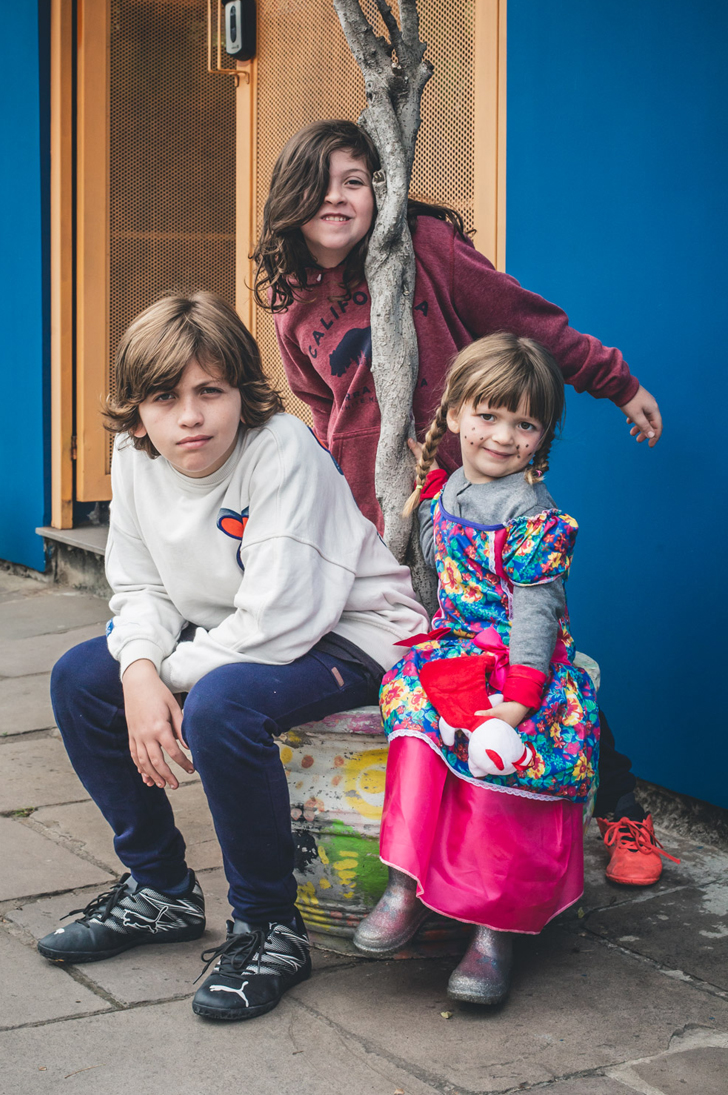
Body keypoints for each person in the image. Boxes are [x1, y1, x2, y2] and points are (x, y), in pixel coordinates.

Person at [254, 119, 671, 886]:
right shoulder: (293, 309)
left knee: (527, 650)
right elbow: (321, 416)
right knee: (426, 671)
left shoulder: (425, 249)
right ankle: (433, 832)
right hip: (375, 520)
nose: (338, 198)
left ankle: (620, 810)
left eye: (355, 181)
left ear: (380, 189)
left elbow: (526, 321)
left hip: (470, 508)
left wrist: (614, 381)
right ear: (291, 198)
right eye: (320, 184)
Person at [37, 291, 428, 1022]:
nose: (190, 416)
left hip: (356, 633)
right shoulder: (135, 456)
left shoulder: (281, 449)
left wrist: (156, 681)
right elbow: (142, 587)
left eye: (209, 391)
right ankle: (160, 891)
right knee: (81, 679)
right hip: (238, 631)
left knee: (221, 707)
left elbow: (280, 623)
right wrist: (137, 671)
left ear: (241, 393)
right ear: (137, 412)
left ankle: (270, 928)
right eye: (165, 397)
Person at [354, 333, 599, 1003]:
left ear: (543, 436)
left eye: (525, 424)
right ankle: (406, 884)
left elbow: (536, 618)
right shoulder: (446, 490)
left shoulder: (533, 517)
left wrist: (517, 703)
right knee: (415, 720)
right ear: (456, 412)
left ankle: (495, 931)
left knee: (500, 767)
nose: (503, 436)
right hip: (458, 651)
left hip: (522, 668)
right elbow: (442, 579)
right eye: (488, 416)